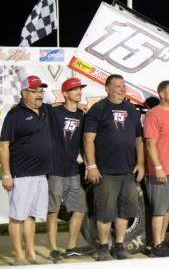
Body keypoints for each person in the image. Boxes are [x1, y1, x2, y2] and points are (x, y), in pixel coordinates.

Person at [83, 74, 145, 261]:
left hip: (128, 171)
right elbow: (88, 139)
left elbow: (139, 140)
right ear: (107, 88)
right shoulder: (98, 109)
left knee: (125, 210)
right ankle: (103, 248)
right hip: (105, 171)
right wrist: (92, 165)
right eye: (117, 86)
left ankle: (119, 245)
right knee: (105, 211)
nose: (122, 89)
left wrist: (140, 163)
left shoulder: (131, 110)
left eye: (123, 86)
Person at [0, 75, 51, 265]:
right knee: (17, 217)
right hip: (21, 174)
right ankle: (19, 256)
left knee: (31, 216)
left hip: (40, 174)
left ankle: (30, 253)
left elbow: (61, 107)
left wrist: (79, 107)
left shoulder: (45, 110)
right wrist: (6, 174)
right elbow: (3, 146)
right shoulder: (14, 115)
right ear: (24, 93)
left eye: (41, 91)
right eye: (35, 91)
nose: (39, 94)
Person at [46, 78, 88, 261]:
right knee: (53, 210)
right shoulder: (54, 112)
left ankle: (71, 246)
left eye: (80, 88)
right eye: (74, 89)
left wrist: (88, 163)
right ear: (65, 93)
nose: (79, 91)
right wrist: (59, 102)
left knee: (80, 208)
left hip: (72, 169)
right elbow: (36, 108)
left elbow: (85, 143)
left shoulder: (82, 116)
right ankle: (54, 248)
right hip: (55, 169)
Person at [144, 80, 169, 257]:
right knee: (159, 210)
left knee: (167, 211)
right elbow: (150, 144)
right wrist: (158, 167)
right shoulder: (154, 114)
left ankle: (159, 243)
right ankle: (156, 245)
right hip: (159, 171)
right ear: (162, 94)